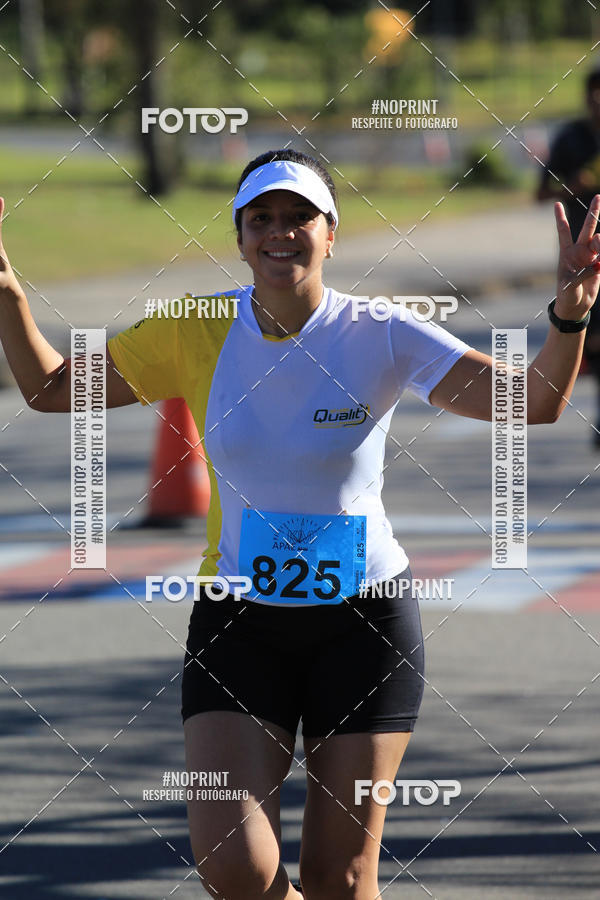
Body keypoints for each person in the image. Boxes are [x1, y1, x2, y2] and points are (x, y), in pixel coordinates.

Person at [1, 148, 598, 899]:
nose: (280, 233)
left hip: (365, 626)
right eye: (263, 219)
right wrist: (5, 290)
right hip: (238, 622)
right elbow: (55, 390)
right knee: (236, 868)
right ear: (240, 235)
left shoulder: (379, 331)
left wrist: (568, 315)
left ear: (331, 233)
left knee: (340, 879)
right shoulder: (196, 327)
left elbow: (532, 402)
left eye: (299, 217)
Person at [537, 67, 600, 446]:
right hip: (586, 261)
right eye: (593, 94)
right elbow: (540, 193)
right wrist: (571, 186)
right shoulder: (571, 139)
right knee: (590, 340)